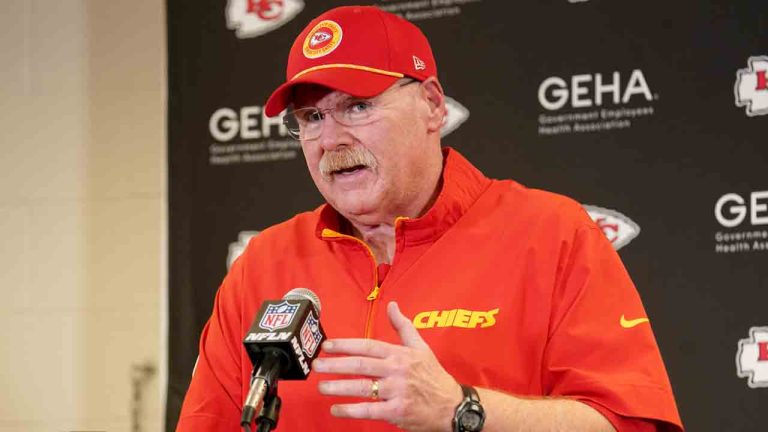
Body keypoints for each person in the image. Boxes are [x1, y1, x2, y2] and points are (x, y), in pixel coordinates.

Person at [177, 5, 684, 432]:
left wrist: (462, 408)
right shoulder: (265, 262)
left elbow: (628, 424)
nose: (330, 140)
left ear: (432, 105)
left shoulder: (551, 234)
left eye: (357, 107)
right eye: (312, 118)